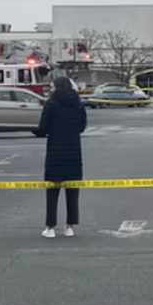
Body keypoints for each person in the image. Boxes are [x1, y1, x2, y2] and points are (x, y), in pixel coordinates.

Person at [38, 76, 88, 238]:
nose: (50, 90)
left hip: (55, 151)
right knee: (72, 190)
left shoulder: (51, 104)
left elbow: (43, 128)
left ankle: (50, 227)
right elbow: (82, 127)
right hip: (74, 151)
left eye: (51, 87)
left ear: (57, 88)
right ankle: (70, 226)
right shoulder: (78, 105)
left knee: (52, 190)